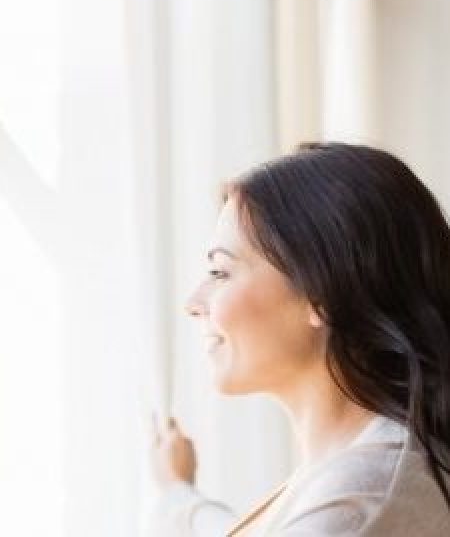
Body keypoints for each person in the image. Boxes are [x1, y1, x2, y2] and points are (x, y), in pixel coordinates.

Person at [149, 142, 450, 535]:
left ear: (321, 294)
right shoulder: (360, 476)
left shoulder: (363, 500)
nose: (193, 303)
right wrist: (179, 496)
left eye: (221, 272)